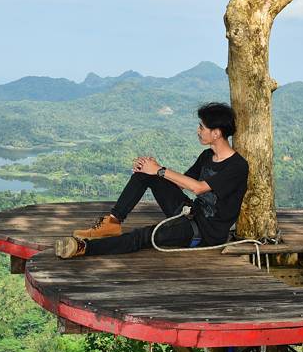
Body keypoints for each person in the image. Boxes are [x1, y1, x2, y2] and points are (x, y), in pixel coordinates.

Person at [55, 102, 248, 258]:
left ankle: (84, 248)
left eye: (202, 127)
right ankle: (113, 222)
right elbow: (184, 182)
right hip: (191, 213)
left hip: (204, 232)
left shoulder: (237, 166)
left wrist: (160, 170)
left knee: (144, 235)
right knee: (145, 174)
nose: (198, 131)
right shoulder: (207, 155)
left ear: (216, 133)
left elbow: (198, 188)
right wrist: (154, 170)